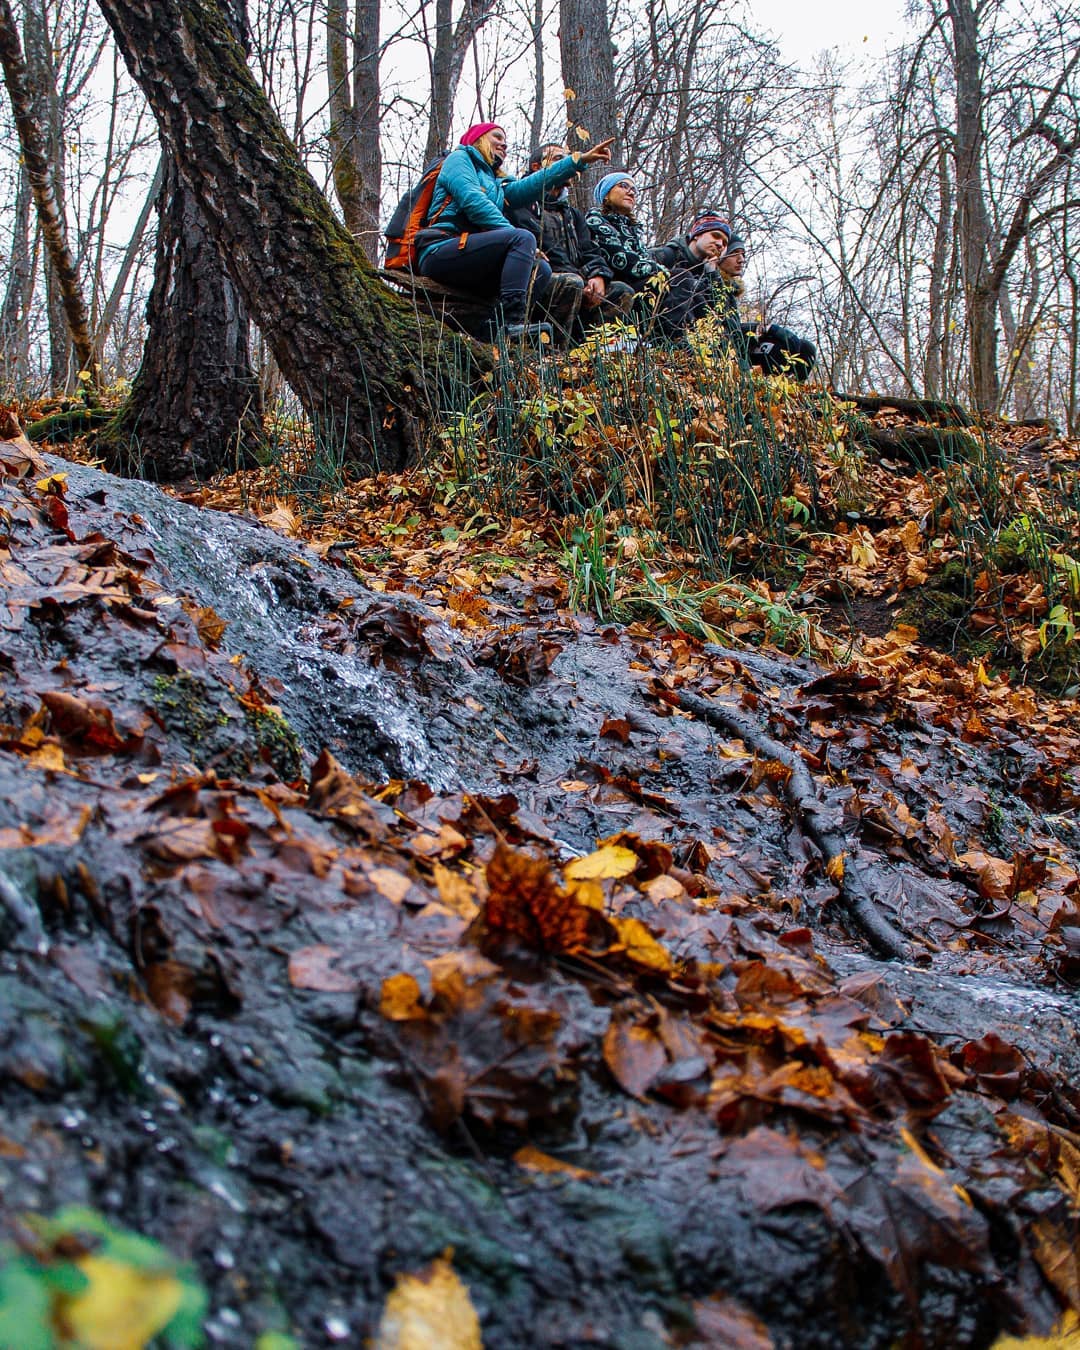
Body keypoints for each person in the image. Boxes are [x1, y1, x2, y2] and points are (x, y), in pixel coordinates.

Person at [416, 123, 613, 338]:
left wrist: (579, 161)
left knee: (541, 270)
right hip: (440, 249)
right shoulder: (459, 159)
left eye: (505, 140)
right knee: (523, 239)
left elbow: (534, 184)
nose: (504, 143)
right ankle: (512, 322)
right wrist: (516, 239)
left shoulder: (496, 181)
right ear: (477, 138)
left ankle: (492, 330)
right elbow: (474, 202)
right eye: (497, 137)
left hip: (470, 254)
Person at [514, 145, 635, 338]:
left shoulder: (572, 214)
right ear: (537, 167)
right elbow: (549, 253)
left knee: (621, 292)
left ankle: (594, 357)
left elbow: (590, 251)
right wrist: (583, 281)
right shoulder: (521, 204)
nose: (566, 164)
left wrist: (598, 277)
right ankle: (555, 356)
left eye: (568, 159)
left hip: (578, 283)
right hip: (539, 285)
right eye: (558, 159)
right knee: (572, 283)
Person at [584, 175, 705, 341]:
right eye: (623, 186)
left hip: (637, 284)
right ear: (606, 194)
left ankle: (703, 341)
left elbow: (643, 257)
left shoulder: (632, 228)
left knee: (692, 289)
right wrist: (663, 272)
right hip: (615, 284)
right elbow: (622, 260)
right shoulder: (596, 220)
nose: (631, 192)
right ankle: (674, 341)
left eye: (634, 189)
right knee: (679, 277)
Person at [716, 231, 817, 380]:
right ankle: (766, 391)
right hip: (725, 354)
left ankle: (791, 392)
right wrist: (756, 329)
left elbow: (733, 327)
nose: (741, 259)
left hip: (740, 346)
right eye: (734, 253)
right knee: (778, 342)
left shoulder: (730, 289)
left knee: (805, 348)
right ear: (720, 256)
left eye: (743, 254)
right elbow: (721, 329)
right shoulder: (711, 284)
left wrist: (765, 329)